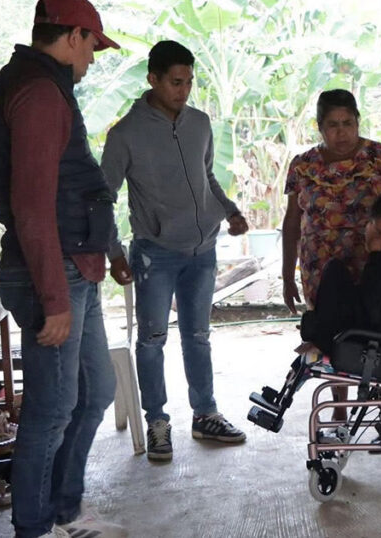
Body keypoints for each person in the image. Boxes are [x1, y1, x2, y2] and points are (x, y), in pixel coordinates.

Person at [0, 1, 129, 536]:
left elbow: (80, 183)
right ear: (73, 35)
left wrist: (110, 250)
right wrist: (54, 299)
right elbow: (32, 206)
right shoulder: (40, 93)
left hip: (77, 265)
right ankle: (35, 527)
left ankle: (65, 513)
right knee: (51, 409)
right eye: (92, 45)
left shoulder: (47, 86)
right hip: (54, 272)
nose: (92, 59)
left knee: (94, 393)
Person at [101, 40, 250, 463]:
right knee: (151, 340)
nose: (182, 91)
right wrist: (114, 253)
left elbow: (206, 179)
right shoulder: (125, 134)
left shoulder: (200, 123)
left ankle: (205, 415)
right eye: (174, 82)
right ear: (153, 79)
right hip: (155, 253)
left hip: (202, 250)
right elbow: (102, 197)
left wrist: (230, 210)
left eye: (188, 82)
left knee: (198, 336)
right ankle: (157, 422)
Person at [281, 89, 381, 418]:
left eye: (348, 123)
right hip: (320, 266)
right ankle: (339, 405)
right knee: (332, 332)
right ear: (320, 127)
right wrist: (287, 274)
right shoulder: (303, 165)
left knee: (375, 329)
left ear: (358, 121)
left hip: (373, 262)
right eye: (332, 125)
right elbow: (292, 221)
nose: (342, 132)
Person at [300, 191, 381, 355]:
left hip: (375, 335)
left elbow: (372, 302)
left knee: (335, 270)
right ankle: (319, 336)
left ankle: (322, 342)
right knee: (335, 273)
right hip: (369, 326)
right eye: (379, 231)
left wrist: (374, 255)